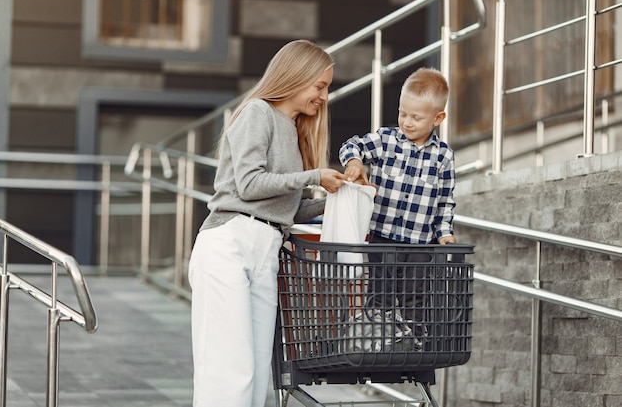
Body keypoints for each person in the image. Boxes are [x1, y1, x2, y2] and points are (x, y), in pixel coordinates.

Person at [188, 39, 347, 407]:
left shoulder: (293, 130)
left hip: (266, 249)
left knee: (259, 373)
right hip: (230, 242)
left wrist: (340, 198)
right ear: (295, 76)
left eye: (327, 88)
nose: (324, 97)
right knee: (230, 371)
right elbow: (249, 184)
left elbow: (285, 210)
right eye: (319, 86)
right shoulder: (257, 112)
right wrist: (312, 177)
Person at [339, 67, 457, 384]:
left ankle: (412, 347)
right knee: (380, 293)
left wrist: (444, 234)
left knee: (415, 297)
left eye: (416, 117)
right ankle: (375, 345)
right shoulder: (386, 140)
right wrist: (354, 161)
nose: (406, 122)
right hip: (382, 237)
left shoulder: (444, 157)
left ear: (438, 119)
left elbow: (445, 200)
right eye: (402, 113)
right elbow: (353, 144)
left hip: (421, 243)